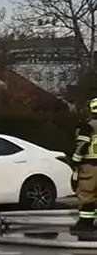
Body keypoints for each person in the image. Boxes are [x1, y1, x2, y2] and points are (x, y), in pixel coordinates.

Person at [71, 97, 97, 235]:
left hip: (91, 166)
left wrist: (75, 161)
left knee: (87, 194)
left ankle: (85, 224)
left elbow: (82, 145)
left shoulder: (88, 126)